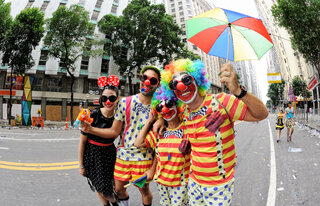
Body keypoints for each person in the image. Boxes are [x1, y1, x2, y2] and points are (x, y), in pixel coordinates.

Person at [163, 59, 268, 205]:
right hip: (193, 182)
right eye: (174, 84)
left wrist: (238, 91)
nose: (181, 86)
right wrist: (156, 122)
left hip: (219, 186)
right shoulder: (184, 111)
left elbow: (261, 114)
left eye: (186, 80)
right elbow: (162, 111)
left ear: (197, 81)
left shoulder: (222, 101)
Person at [83, 66, 163, 206]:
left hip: (144, 157)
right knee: (119, 190)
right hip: (123, 156)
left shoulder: (159, 107)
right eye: (144, 77)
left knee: (143, 190)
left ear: (158, 84)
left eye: (152, 80)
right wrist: (90, 129)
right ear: (140, 79)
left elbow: (161, 141)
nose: (147, 82)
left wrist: (153, 167)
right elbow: (114, 132)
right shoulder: (125, 102)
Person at [134, 82, 190, 206]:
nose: (165, 109)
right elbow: (138, 143)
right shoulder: (159, 131)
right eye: (160, 107)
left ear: (177, 106)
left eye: (169, 104)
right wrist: (150, 121)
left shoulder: (187, 129)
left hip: (181, 184)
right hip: (161, 183)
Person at [78, 82, 120, 206]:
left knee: (107, 189)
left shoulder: (118, 117)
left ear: (117, 99)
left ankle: (116, 202)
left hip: (109, 155)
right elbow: (82, 142)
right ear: (100, 99)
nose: (108, 101)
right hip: (92, 155)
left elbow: (116, 134)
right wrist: (81, 165)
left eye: (112, 98)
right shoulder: (93, 115)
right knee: (98, 186)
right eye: (104, 98)